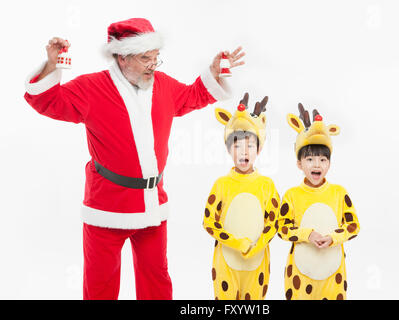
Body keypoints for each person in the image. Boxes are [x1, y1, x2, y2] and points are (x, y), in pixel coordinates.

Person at [23, 17, 245, 300]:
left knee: (157, 281)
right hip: (106, 205)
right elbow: (45, 101)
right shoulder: (92, 88)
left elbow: (192, 96)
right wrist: (51, 65)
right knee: (100, 285)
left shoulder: (162, 85)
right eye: (145, 59)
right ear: (122, 57)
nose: (153, 66)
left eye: (156, 58)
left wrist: (213, 73)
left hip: (152, 205)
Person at [277, 103, 360, 300]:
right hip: (300, 274)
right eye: (310, 159)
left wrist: (333, 237)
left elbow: (353, 226)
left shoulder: (339, 193)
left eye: (323, 160)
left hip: (334, 275)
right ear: (299, 163)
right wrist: (308, 235)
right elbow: (282, 228)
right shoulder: (292, 195)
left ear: (329, 163)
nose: (317, 164)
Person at [203, 93, 280, 300]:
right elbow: (209, 222)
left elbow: (274, 222)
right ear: (229, 150)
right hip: (225, 264)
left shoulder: (267, 185)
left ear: (259, 148)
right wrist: (239, 243)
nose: (243, 152)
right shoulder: (221, 184)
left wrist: (258, 245)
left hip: (258, 264)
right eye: (237, 146)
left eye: (249, 146)